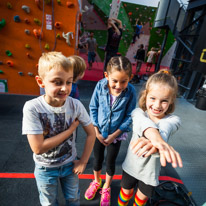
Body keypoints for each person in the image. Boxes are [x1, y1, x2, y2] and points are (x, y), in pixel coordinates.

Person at [22, 51, 96, 206]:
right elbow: (38, 147)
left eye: (69, 82)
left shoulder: (75, 105)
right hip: (45, 168)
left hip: (69, 165)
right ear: (41, 82)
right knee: (49, 203)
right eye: (57, 82)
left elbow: (91, 133)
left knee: (74, 199)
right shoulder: (32, 108)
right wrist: (70, 131)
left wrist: (83, 161)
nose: (64, 88)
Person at [118, 70, 183, 206]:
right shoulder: (138, 113)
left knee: (141, 200)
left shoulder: (173, 119)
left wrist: (158, 140)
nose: (157, 105)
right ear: (145, 95)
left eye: (164, 101)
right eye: (153, 98)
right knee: (125, 194)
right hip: (131, 166)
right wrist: (157, 140)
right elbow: (144, 124)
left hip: (149, 174)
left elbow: (165, 128)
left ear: (171, 101)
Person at [84, 56, 137, 206]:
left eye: (123, 81)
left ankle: (106, 186)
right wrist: (96, 131)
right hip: (99, 132)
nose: (118, 86)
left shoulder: (131, 92)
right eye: (114, 81)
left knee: (110, 161)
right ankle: (96, 181)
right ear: (106, 76)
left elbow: (129, 116)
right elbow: (93, 107)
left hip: (116, 135)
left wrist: (114, 135)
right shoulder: (100, 86)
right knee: (97, 158)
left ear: (130, 78)